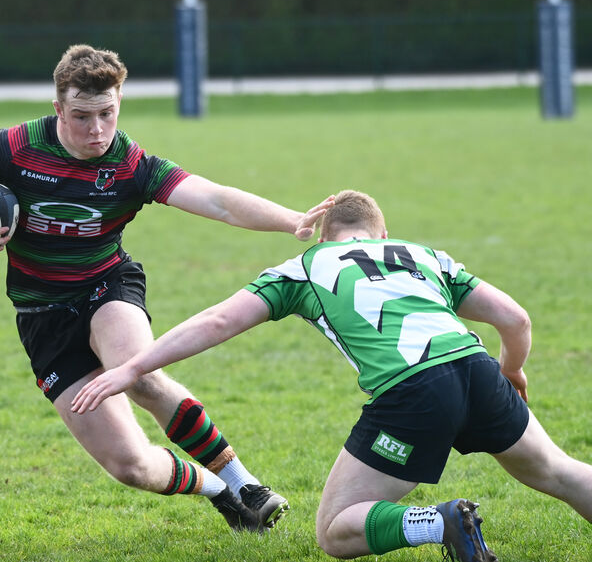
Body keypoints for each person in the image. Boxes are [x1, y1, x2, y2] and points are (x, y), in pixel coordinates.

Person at [0, 44, 330, 531]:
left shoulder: (131, 166)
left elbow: (216, 200)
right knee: (130, 466)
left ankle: (244, 483)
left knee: (138, 373)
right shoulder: (13, 148)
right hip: (41, 316)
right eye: (82, 116)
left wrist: (293, 221)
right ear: (58, 110)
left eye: (107, 114)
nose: (96, 130)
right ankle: (218, 490)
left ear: (119, 106)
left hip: (105, 286)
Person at [72, 189, 592, 561]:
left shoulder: (305, 267)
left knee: (335, 530)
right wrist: (513, 371)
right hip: (479, 370)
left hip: (413, 391)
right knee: (561, 473)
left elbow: (217, 322)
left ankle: (441, 521)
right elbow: (516, 319)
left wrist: (135, 367)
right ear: (381, 233)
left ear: (322, 236)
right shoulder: (424, 256)